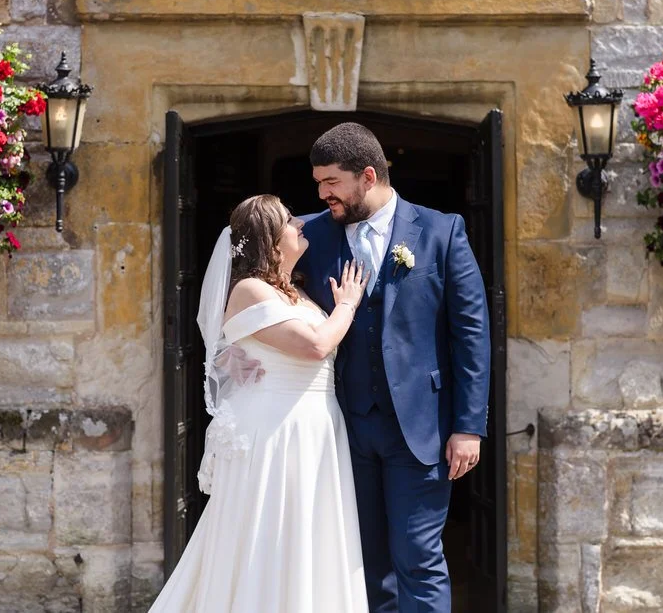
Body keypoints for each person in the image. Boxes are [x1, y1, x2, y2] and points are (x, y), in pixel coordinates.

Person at [296, 122, 491, 613]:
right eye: (318, 183)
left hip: (420, 429)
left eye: (330, 183)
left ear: (367, 176)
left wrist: (468, 427)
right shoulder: (307, 235)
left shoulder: (442, 231)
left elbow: (470, 335)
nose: (322, 195)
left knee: (419, 559)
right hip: (343, 428)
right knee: (361, 562)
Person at [148, 194, 370, 612]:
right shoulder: (249, 290)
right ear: (269, 242)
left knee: (310, 535)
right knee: (271, 536)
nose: (301, 224)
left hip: (315, 427)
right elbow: (317, 345)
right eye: (289, 220)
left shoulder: (295, 293)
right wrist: (346, 305)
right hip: (277, 433)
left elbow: (242, 355)